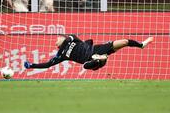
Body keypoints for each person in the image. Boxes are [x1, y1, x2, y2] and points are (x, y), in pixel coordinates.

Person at [24, 35, 154, 71]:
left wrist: (88, 43)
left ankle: (141, 45)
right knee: (85, 66)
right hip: (90, 61)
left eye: (58, 38)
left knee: (124, 41)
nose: (56, 40)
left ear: (63, 38)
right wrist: (32, 65)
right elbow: (47, 64)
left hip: (97, 49)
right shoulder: (61, 55)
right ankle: (100, 59)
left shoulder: (71, 38)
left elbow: (84, 40)